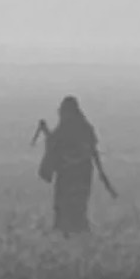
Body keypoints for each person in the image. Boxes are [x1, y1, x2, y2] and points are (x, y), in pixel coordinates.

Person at [37, 96, 100, 237]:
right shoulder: (83, 127)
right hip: (76, 174)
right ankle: (67, 230)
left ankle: (75, 230)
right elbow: (56, 144)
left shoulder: (79, 128)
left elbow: (57, 145)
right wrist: (47, 132)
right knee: (66, 204)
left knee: (74, 203)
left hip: (73, 174)